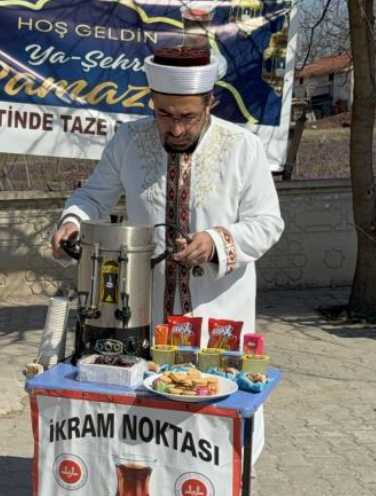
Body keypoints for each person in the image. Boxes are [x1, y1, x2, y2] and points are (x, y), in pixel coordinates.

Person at [50, 46, 284, 461]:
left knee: (215, 432)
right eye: (165, 114)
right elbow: (93, 196)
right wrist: (72, 220)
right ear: (152, 103)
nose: (175, 128)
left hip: (218, 315)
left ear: (211, 102)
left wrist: (215, 241)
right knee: (149, 435)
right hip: (147, 312)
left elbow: (268, 223)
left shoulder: (242, 146)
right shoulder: (130, 139)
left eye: (188, 117)